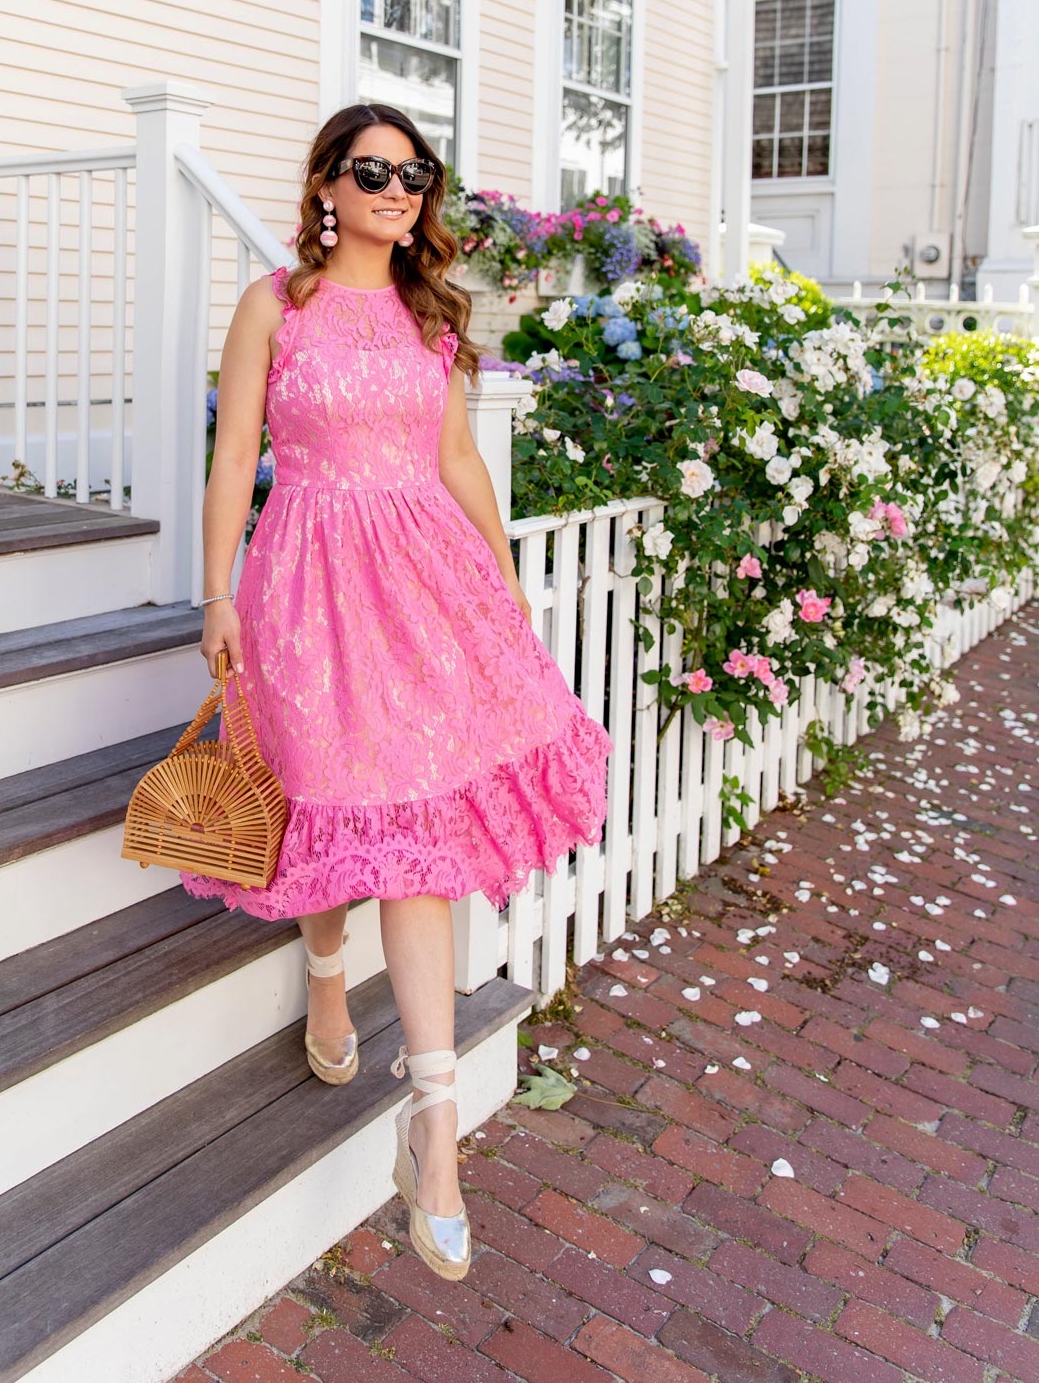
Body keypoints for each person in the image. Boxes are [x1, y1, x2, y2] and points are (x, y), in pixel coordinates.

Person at [184, 102, 611, 1281]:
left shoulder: (429, 313)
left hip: (421, 581)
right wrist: (214, 595)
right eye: (371, 171)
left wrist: (504, 578)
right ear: (326, 183)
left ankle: (432, 1123)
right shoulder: (275, 305)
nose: (394, 189)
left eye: (413, 174)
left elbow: (457, 456)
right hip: (304, 583)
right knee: (327, 804)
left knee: (413, 832)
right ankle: (325, 975)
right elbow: (234, 457)